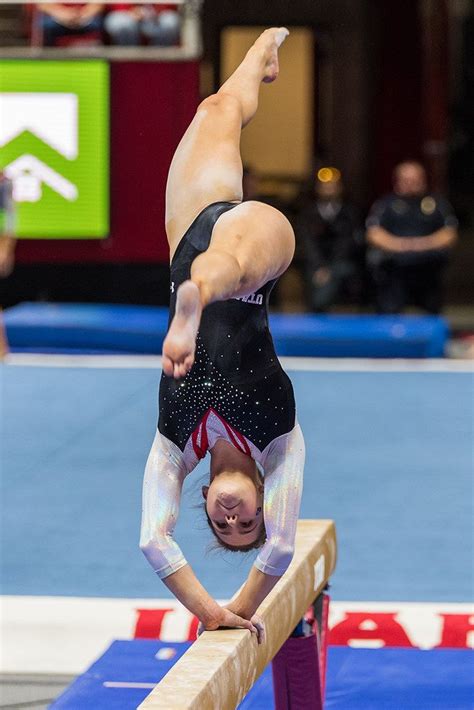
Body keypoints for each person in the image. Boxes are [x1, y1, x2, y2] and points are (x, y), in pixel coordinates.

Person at [140, 28, 304, 643]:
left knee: (215, 110)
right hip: (258, 251)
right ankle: (196, 300)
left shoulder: (174, 447)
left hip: (187, 237)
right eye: (247, 523)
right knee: (229, 266)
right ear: (264, 498)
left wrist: (203, 610)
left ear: (204, 499)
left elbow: (152, 539)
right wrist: (235, 606)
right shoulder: (280, 445)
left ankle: (260, 54)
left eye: (221, 524)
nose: (232, 519)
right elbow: (283, 548)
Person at [366, 161, 458, 314]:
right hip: (395, 267)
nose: (410, 184)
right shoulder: (387, 203)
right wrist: (401, 245)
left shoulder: (436, 203)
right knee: (388, 304)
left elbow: (449, 234)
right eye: (406, 180)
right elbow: (373, 234)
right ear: (397, 181)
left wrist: (421, 244)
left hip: (427, 265)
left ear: (423, 180)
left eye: (415, 180)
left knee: (432, 307)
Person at [297, 168, 360, 312]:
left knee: (336, 277)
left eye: (332, 186)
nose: (328, 190)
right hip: (314, 263)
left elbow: (347, 242)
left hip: (340, 262)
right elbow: (308, 243)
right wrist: (320, 266)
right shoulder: (308, 212)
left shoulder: (349, 212)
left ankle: (322, 308)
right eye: (324, 186)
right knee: (315, 279)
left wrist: (330, 269)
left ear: (340, 188)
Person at [105, 3, 180, 47]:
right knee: (121, 23)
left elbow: (171, 6)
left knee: (171, 20)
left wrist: (154, 12)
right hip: (129, 16)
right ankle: (129, 61)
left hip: (156, 18)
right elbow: (115, 6)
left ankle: (159, 61)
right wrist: (133, 12)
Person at [37, 3, 104, 46]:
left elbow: (98, 5)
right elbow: (43, 5)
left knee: (100, 24)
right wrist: (64, 14)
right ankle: (49, 58)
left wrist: (82, 15)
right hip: (58, 16)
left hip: (85, 17)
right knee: (47, 25)